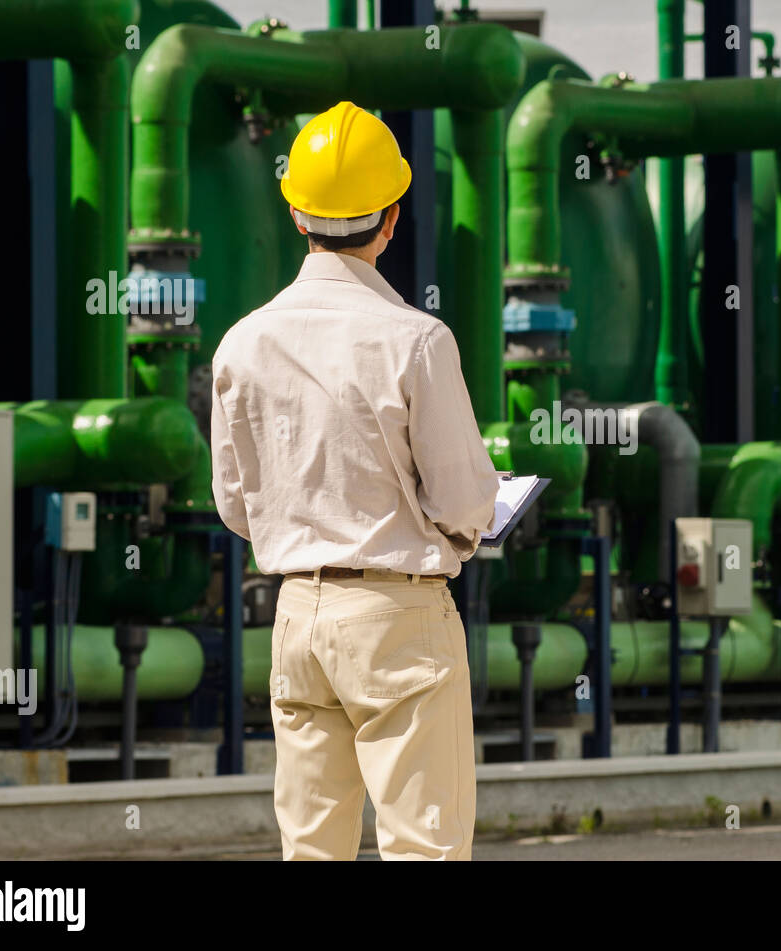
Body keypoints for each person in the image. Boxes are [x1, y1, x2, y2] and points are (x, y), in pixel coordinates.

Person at [209, 101, 498, 861]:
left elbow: (238, 506)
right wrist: (466, 525)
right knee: (424, 847)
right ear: (392, 219)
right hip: (398, 615)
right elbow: (466, 501)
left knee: (311, 851)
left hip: (298, 615)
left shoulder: (243, 343)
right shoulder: (417, 341)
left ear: (297, 213)